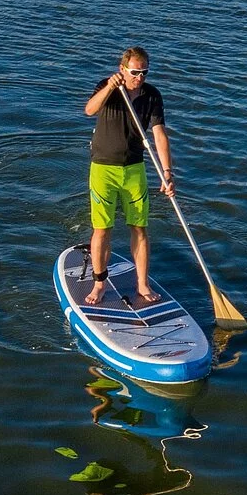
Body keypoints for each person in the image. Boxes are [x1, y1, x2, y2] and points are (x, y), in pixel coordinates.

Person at [81, 46, 173, 306]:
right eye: (135, 72)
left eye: (144, 72)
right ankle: (99, 283)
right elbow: (89, 110)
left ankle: (142, 283)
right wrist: (110, 87)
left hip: (134, 169)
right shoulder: (107, 87)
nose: (140, 77)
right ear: (123, 69)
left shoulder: (152, 95)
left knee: (140, 228)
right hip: (103, 168)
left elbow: (159, 134)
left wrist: (167, 172)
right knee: (102, 229)